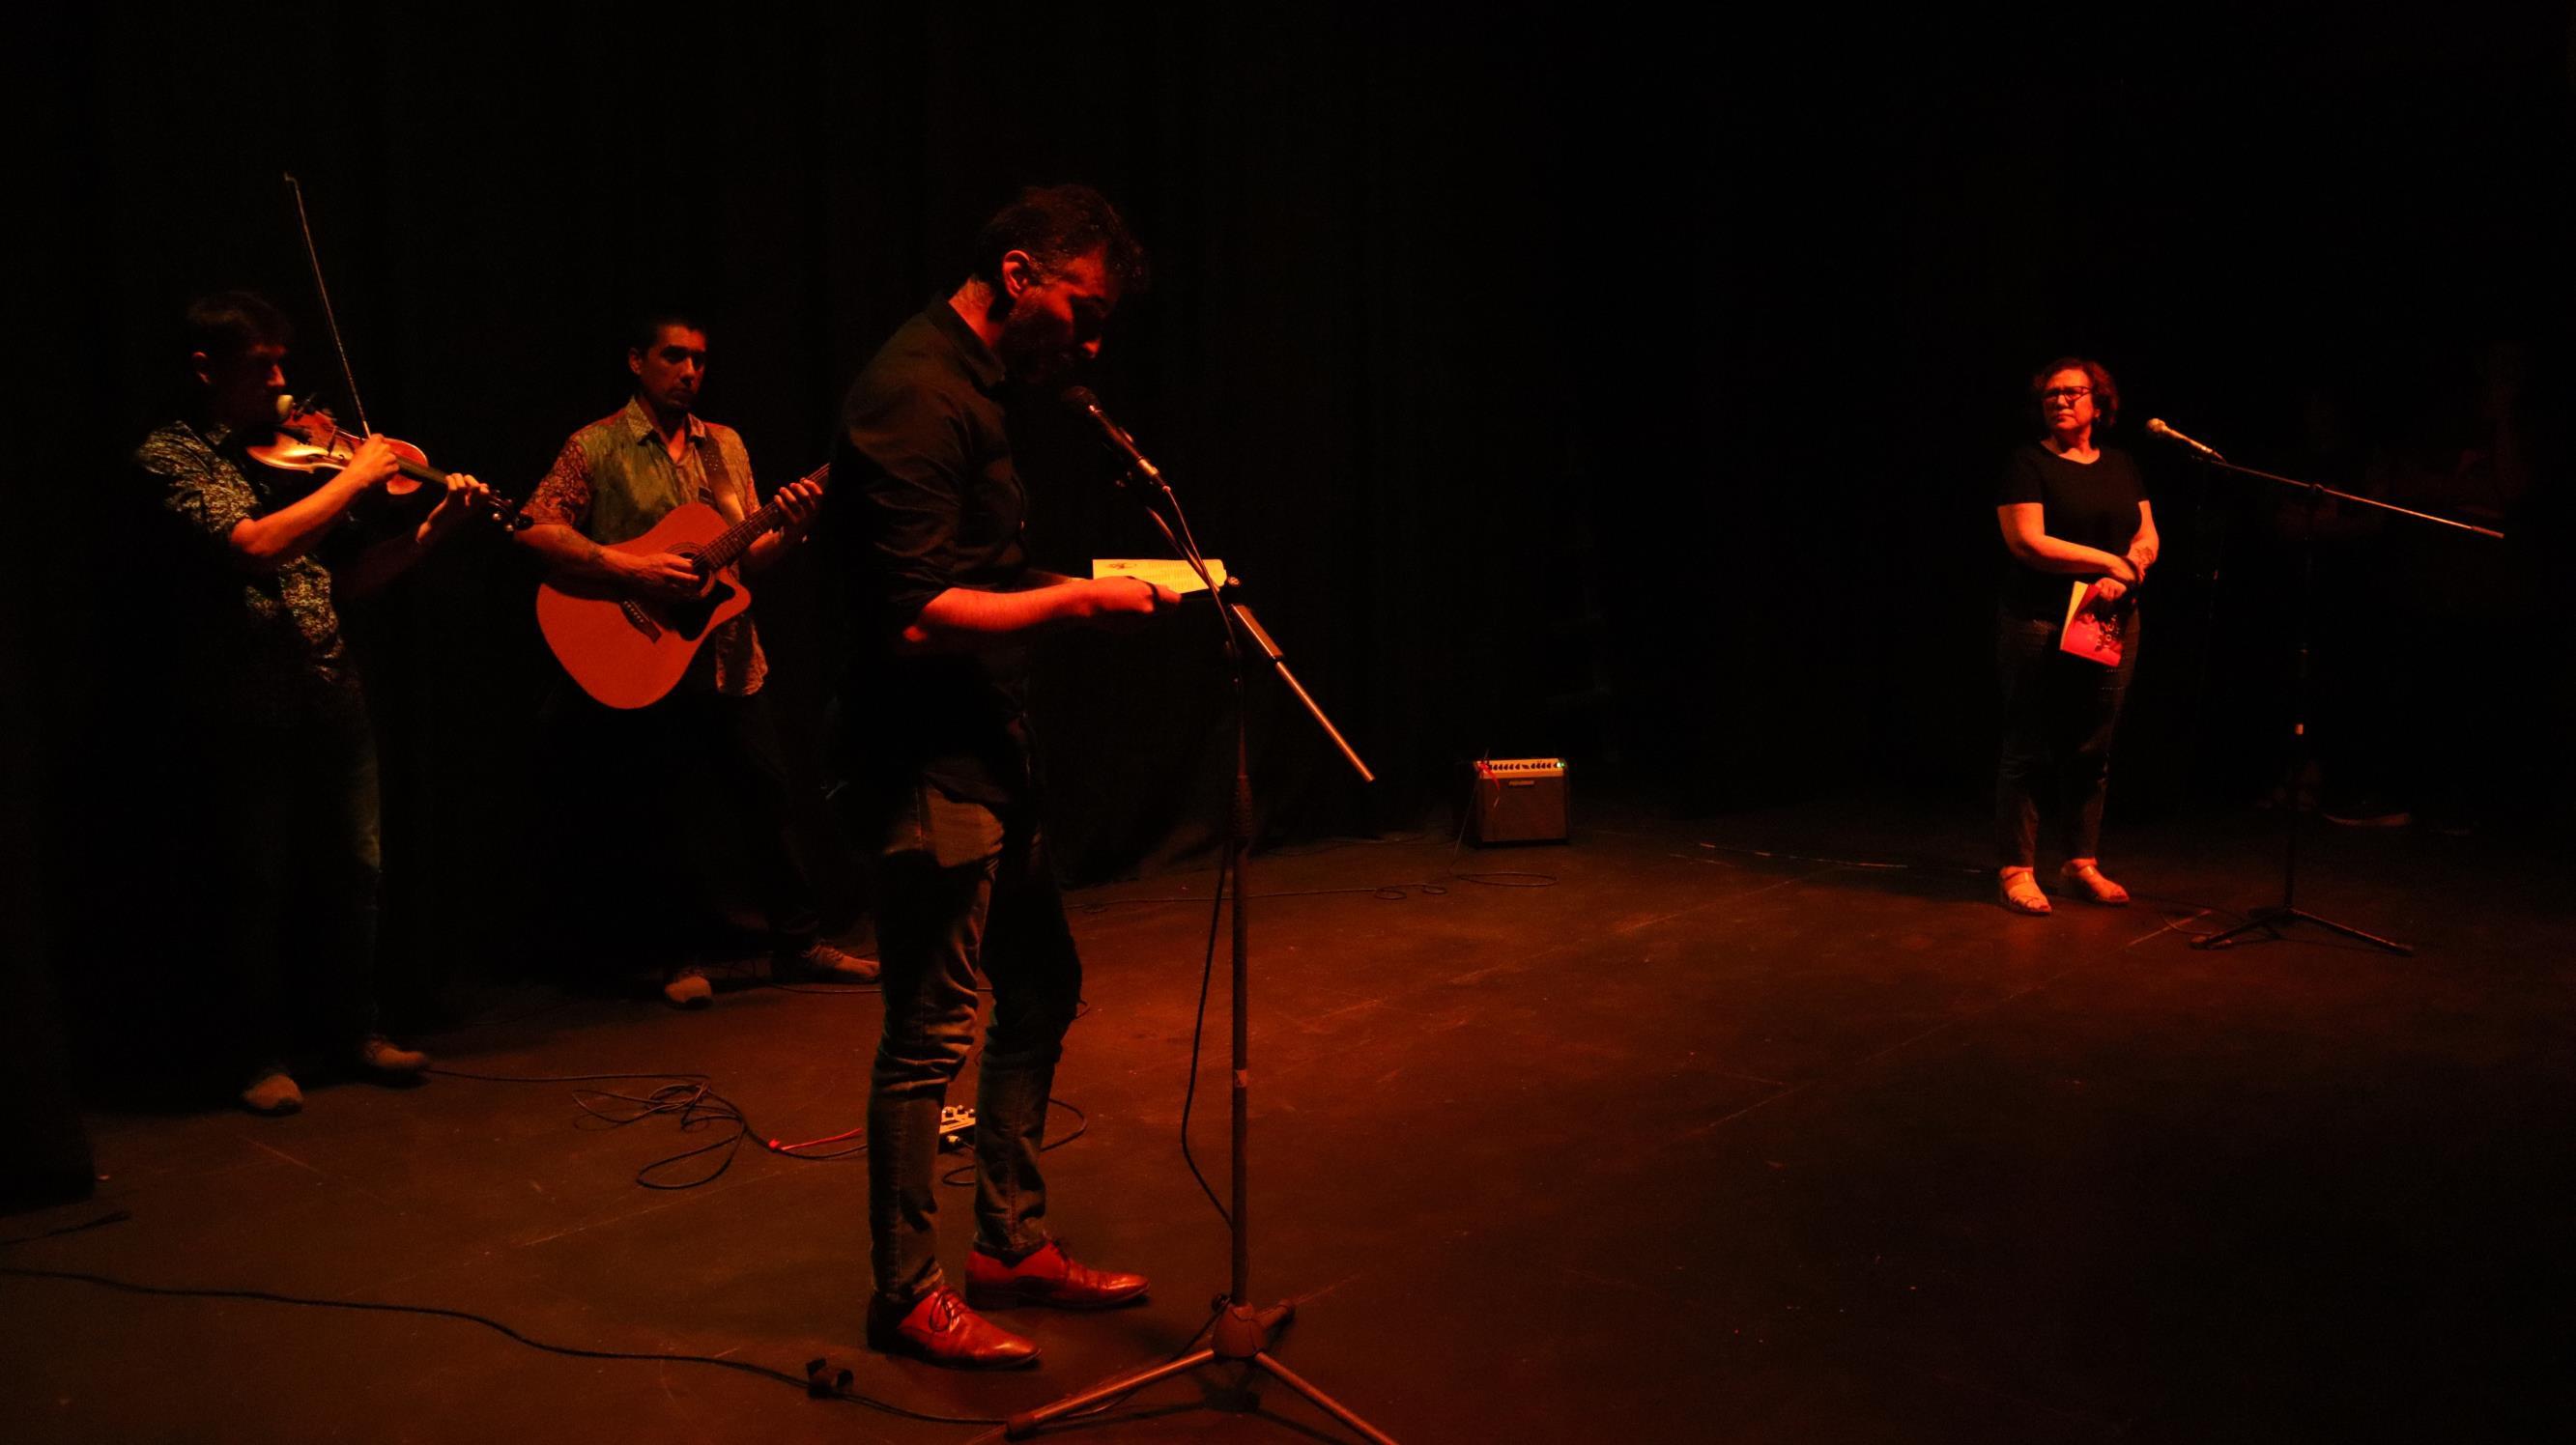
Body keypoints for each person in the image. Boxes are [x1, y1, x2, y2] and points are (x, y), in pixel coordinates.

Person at [828, 184, 1172, 1368]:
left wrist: (1078, 587)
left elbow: (974, 566)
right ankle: (904, 1291)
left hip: (988, 747)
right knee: (928, 1031)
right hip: (925, 759)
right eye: (1083, 313)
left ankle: (1009, 1241)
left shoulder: (976, 387)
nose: (1090, 344)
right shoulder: (914, 390)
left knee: (1039, 985)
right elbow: (915, 611)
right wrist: (1078, 602)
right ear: (1019, 273)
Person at [133, 291, 494, 1114]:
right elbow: (256, 546)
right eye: (263, 367)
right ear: (206, 369)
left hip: (332, 689)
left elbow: (352, 578)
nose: (283, 384)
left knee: (357, 871)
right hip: (242, 705)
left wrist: (434, 530)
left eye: (283, 364)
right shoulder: (173, 455)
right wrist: (359, 475)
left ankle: (355, 1032)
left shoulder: (291, 457)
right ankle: (257, 1057)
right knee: (255, 886)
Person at [518, 314, 874, 1005]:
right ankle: (676, 957)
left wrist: (793, 527)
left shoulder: (726, 446)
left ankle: (799, 945)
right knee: (664, 816)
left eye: (700, 361)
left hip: (731, 659)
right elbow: (533, 529)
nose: (689, 372)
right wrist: (633, 569)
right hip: (644, 658)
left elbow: (744, 560)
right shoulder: (596, 445)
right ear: (636, 360)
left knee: (772, 800)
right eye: (674, 357)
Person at [1992, 356, 2158, 916]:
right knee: (2030, 743)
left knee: (2093, 744)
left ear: (2098, 403)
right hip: (2038, 618)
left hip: (2107, 616)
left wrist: (2130, 568)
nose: (2060, 401)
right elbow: (2027, 541)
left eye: (2072, 392)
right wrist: (2109, 563)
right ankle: (2016, 869)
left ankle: (2079, 863)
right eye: (2051, 395)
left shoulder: (2121, 463)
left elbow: (2147, 534)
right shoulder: (2027, 462)